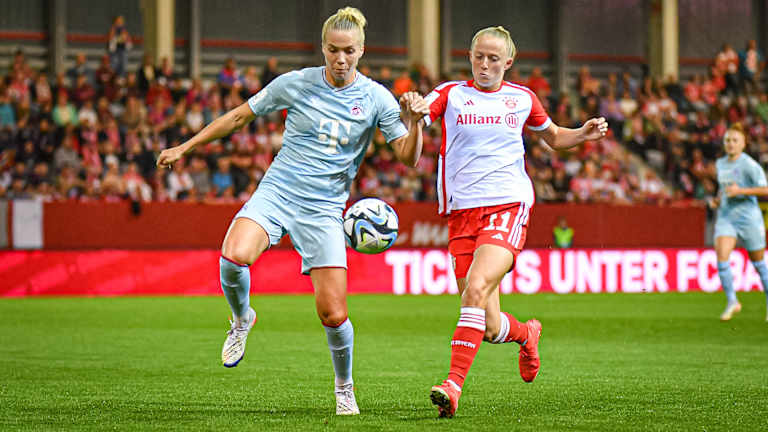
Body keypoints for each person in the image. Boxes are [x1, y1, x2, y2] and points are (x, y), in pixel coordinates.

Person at [156, 7, 428, 416]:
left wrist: (415, 121)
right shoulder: (296, 84)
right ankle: (242, 318)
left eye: (349, 51)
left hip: (325, 210)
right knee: (233, 257)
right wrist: (185, 146)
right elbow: (239, 116)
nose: (341, 59)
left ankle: (344, 387)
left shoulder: (375, 98)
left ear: (362, 50)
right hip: (278, 191)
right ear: (323, 48)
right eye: (334, 50)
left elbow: (407, 157)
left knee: (333, 313)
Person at [420, 26, 607, 418]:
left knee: (476, 287)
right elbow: (425, 108)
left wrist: (583, 134)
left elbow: (553, 136)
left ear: (508, 62)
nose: (484, 64)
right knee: (487, 326)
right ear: (469, 56)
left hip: (508, 204)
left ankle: (452, 386)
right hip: (461, 213)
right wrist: (415, 109)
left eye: (493, 58)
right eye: (478, 57)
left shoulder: (521, 99)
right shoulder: (451, 93)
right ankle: (526, 334)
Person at [708, 123, 768, 321]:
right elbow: (723, 188)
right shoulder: (720, 164)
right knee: (722, 257)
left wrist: (741, 191)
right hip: (726, 216)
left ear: (743, 144)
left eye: (735, 140)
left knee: (758, 263)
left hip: (748, 217)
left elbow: (765, 190)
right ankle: (732, 301)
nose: (730, 144)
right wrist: (717, 200)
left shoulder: (750, 165)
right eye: (727, 140)